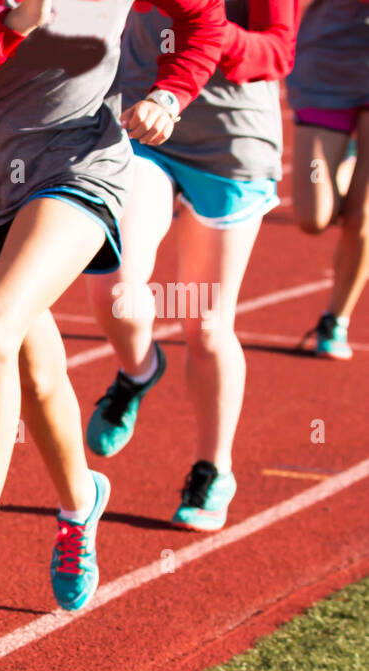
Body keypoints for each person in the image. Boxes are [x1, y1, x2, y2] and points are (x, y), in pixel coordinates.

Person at [0, 0, 225, 625]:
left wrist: (171, 94)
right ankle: (81, 500)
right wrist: (8, 28)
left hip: (77, 165)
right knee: (33, 371)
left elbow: (203, 18)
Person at [86, 0, 298, 532]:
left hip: (231, 146)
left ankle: (212, 466)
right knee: (115, 286)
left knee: (204, 327)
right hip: (142, 121)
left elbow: (277, 52)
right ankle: (138, 370)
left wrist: (204, 29)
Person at [286, 0, 369, 360]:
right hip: (328, 60)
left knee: (362, 218)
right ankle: (350, 164)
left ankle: (335, 318)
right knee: (312, 217)